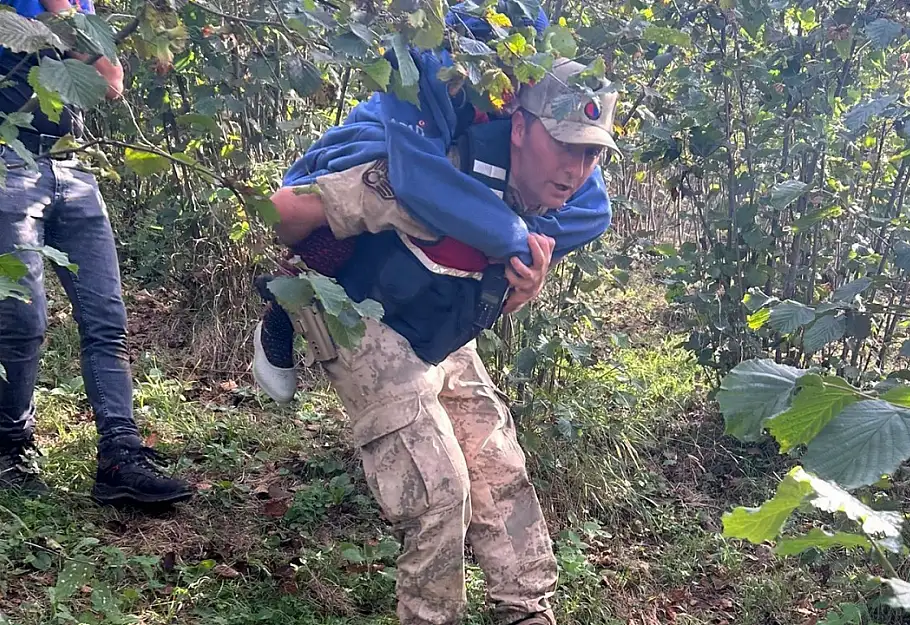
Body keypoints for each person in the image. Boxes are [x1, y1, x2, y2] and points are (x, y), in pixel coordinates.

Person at [261, 41, 619, 625]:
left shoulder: (555, 209)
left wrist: (519, 272)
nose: (575, 170)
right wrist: (353, 233)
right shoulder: (431, 167)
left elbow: (500, 279)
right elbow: (281, 211)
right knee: (437, 492)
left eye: (590, 156)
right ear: (522, 128)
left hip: (439, 332)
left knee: (500, 470)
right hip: (362, 321)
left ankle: (527, 612)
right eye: (563, 147)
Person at [0, 0, 193, 505]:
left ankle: (120, 455)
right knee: (21, 319)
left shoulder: (79, 7)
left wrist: (66, 11)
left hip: (72, 166)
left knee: (106, 317)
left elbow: (111, 82)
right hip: (8, 157)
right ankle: (10, 446)